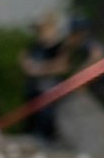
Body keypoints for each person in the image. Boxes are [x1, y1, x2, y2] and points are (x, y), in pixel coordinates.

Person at [19, 11, 71, 144]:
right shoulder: (34, 47)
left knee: (48, 121)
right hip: (34, 92)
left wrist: (40, 68)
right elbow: (25, 63)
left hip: (52, 94)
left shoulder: (60, 47)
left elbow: (62, 65)